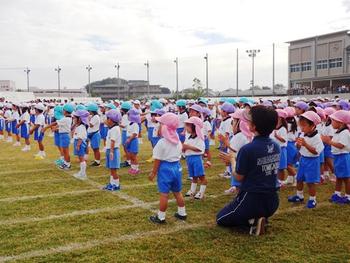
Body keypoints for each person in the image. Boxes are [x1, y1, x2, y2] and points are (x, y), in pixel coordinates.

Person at [216, 105, 280, 236]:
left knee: (221, 218)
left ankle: (253, 221)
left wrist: (232, 160)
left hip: (252, 199)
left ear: (253, 127)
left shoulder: (248, 149)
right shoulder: (276, 145)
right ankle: (259, 217)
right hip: (273, 200)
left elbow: (238, 177)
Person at [148, 113, 187, 224]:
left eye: (161, 124)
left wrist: (153, 173)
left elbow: (157, 160)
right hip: (177, 167)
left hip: (165, 168)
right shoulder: (178, 141)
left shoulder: (162, 143)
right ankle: (182, 213)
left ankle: (161, 217)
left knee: (164, 194)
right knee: (177, 192)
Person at [288, 111, 324, 209]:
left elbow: (316, 151)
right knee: (299, 179)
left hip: (312, 161)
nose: (302, 128)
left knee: (310, 182)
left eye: (304, 126)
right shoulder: (303, 134)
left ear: (312, 125)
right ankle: (299, 196)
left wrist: (305, 144)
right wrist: (299, 145)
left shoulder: (317, 137)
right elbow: (298, 148)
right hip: (303, 159)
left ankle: (313, 199)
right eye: (301, 126)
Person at [322, 110, 350, 204]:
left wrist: (329, 142)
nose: (331, 122)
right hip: (338, 157)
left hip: (343, 157)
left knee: (346, 178)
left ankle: (348, 196)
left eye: (333, 120)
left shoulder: (345, 132)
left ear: (341, 122)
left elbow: (341, 145)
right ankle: (337, 194)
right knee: (339, 176)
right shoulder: (338, 132)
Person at [183, 116, 207, 200]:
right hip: (189, 159)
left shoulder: (199, 138)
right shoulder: (188, 137)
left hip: (196, 159)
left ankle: (201, 192)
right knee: (193, 176)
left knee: (201, 176)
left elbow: (200, 149)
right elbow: (185, 147)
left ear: (194, 127)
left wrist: (188, 147)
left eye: (188, 126)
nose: (186, 128)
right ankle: (192, 190)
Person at [103, 109, 122, 191]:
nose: (106, 120)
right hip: (110, 150)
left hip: (113, 150)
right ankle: (112, 183)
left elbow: (113, 141)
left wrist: (111, 152)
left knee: (113, 169)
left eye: (107, 118)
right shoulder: (111, 128)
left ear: (111, 120)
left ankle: (116, 185)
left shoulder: (115, 129)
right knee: (111, 168)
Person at [270, 109, 288, 186]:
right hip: (274, 149)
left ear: (280, 118)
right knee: (275, 167)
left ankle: (281, 181)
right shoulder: (274, 127)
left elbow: (284, 140)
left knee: (281, 167)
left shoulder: (282, 129)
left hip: (281, 149)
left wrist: (277, 136)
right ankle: (277, 180)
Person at [72, 110, 89, 180]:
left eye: (75, 118)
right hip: (78, 142)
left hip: (80, 143)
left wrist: (78, 145)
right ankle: (81, 172)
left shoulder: (81, 127)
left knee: (81, 159)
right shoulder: (79, 126)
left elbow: (81, 138)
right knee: (80, 158)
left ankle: (83, 173)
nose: (74, 119)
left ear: (80, 119)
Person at [126, 108, 141, 175]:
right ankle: (132, 167)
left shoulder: (135, 124)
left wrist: (129, 139)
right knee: (130, 155)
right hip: (129, 140)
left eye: (128, 115)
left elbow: (135, 134)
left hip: (133, 140)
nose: (127, 116)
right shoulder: (130, 124)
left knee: (133, 155)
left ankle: (136, 168)